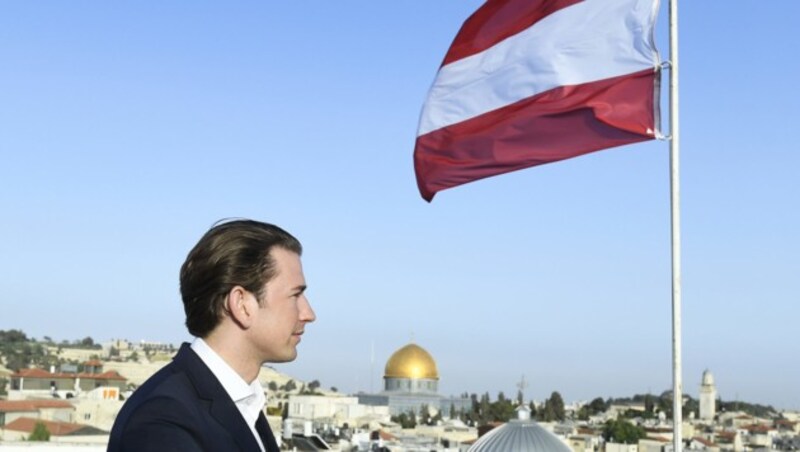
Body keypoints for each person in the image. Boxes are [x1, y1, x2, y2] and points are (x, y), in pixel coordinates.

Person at [108, 219, 316, 452]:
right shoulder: (164, 419)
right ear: (242, 304)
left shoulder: (242, 406)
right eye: (295, 296)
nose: (309, 314)